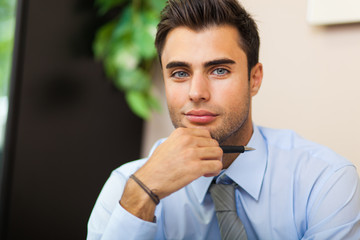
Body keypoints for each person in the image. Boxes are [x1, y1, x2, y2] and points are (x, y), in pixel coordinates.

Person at [87, 0, 360, 239]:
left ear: (254, 79)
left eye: (219, 70)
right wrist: (141, 197)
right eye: (180, 73)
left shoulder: (324, 181)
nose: (196, 93)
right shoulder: (125, 188)